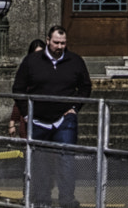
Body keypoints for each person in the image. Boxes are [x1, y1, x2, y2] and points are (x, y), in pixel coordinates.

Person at [11, 25, 91, 208]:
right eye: (56, 42)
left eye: (63, 43)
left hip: (64, 119)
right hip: (37, 119)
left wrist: (75, 107)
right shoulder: (32, 61)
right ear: (48, 40)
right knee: (39, 161)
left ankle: (66, 200)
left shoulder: (75, 61)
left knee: (66, 158)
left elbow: (86, 87)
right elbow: (18, 88)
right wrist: (25, 113)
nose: (60, 46)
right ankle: (41, 199)